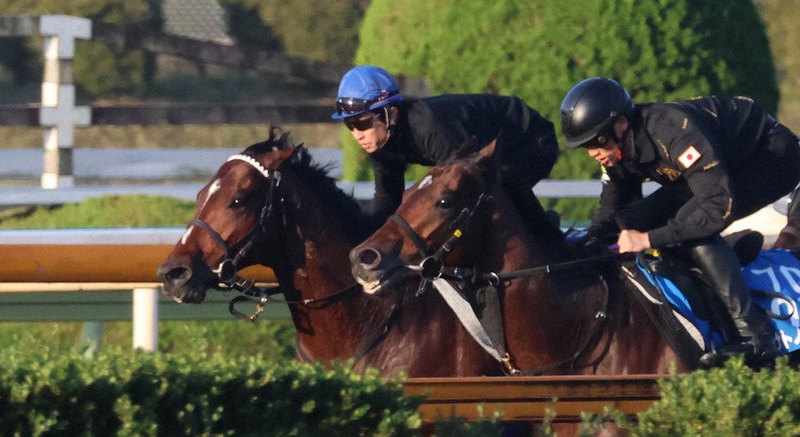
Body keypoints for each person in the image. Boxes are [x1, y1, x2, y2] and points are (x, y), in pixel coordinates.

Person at [560, 76, 800, 367]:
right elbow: (611, 214)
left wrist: (647, 240)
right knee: (631, 219)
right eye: (585, 147)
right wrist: (586, 246)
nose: (592, 154)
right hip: (723, 161)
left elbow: (716, 210)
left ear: (621, 125)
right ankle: (727, 254)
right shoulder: (618, 149)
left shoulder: (675, 133)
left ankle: (756, 334)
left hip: (770, 157)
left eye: (596, 142)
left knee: (693, 225)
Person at [332, 65, 560, 238]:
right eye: (349, 125)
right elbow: (387, 200)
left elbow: (463, 190)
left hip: (532, 139)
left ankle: (550, 236)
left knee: (497, 189)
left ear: (389, 114)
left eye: (362, 123)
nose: (357, 134)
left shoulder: (431, 128)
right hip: (492, 145)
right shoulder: (381, 143)